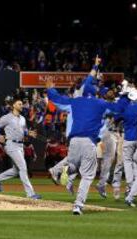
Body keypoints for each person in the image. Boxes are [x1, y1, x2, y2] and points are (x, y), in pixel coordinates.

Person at [45, 69, 118, 214]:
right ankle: (78, 205)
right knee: (88, 175)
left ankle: (57, 170)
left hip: (74, 141)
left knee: (73, 165)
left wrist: (50, 89)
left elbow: (57, 100)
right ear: (95, 92)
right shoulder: (101, 104)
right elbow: (118, 109)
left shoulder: (75, 102)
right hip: (88, 141)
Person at [0, 98, 41, 199]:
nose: (21, 106)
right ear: (13, 105)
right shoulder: (7, 117)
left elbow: (23, 131)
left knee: (16, 170)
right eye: (19, 104)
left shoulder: (23, 118)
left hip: (20, 145)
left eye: (22, 104)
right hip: (11, 145)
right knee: (23, 168)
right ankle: (30, 193)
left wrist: (29, 133)